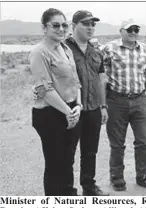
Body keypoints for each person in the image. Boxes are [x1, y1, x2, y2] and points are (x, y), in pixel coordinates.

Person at [30, 8, 82, 196]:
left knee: (68, 160)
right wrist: (68, 113)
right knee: (55, 164)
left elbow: (76, 81)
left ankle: (69, 196)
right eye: (55, 25)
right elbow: (45, 90)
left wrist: (78, 106)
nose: (61, 29)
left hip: (71, 110)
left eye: (64, 25)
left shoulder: (65, 48)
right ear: (44, 28)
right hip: (50, 114)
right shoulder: (39, 52)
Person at [102, 21, 146, 191]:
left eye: (136, 29)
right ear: (121, 31)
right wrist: (103, 104)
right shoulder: (109, 49)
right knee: (117, 144)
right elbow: (102, 77)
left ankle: (143, 176)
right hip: (116, 101)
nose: (133, 32)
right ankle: (117, 178)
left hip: (139, 99)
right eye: (129, 29)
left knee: (143, 141)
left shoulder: (145, 49)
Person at [64, 10, 109, 196]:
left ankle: (89, 187)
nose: (90, 28)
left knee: (90, 152)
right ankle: (67, 192)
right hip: (71, 108)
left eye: (93, 24)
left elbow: (101, 79)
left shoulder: (95, 51)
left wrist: (103, 106)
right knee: (67, 154)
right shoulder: (63, 48)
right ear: (74, 26)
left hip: (93, 109)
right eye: (86, 24)